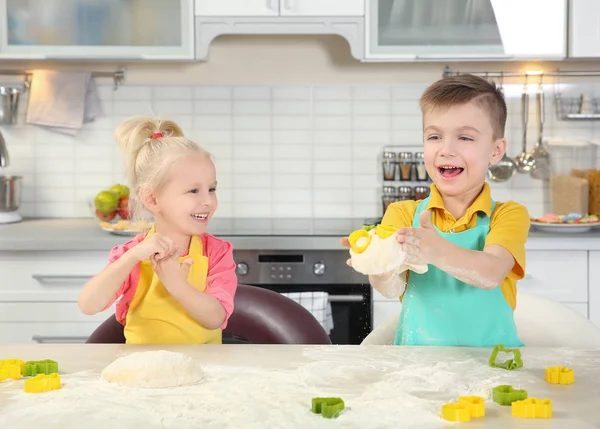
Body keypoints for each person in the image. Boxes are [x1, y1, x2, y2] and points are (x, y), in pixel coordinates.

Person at [344, 74, 529, 347]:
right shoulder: (402, 213)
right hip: (418, 365)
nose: (446, 149)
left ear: (496, 150)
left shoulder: (508, 215)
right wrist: (376, 260)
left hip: (494, 365)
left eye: (465, 137)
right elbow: (391, 288)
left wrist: (434, 249)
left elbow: (490, 274)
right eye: (434, 136)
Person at [78, 116, 237, 344]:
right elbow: (88, 305)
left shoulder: (217, 252)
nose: (208, 201)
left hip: (204, 371)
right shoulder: (132, 253)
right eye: (194, 191)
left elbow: (215, 318)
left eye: (211, 189)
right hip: (143, 372)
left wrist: (176, 284)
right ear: (152, 199)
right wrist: (132, 257)